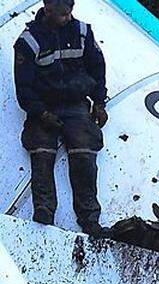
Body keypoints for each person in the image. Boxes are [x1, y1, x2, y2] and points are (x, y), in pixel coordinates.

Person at [13, 0, 107, 234]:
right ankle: (43, 215)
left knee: (84, 155)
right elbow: (23, 87)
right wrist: (41, 113)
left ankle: (90, 220)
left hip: (76, 103)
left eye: (70, 13)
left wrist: (99, 101)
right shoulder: (28, 42)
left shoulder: (82, 32)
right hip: (44, 106)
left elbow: (97, 66)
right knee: (42, 155)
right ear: (47, 9)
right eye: (63, 14)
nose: (68, 18)